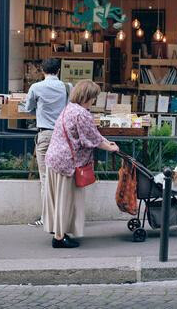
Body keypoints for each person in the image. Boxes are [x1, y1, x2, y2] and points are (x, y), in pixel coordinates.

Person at [42, 79, 119, 248]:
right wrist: (111, 148)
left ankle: (58, 231)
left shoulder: (69, 109)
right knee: (66, 200)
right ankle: (59, 238)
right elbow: (92, 138)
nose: (94, 101)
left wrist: (106, 141)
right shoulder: (82, 114)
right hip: (67, 163)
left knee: (57, 199)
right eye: (93, 97)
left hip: (55, 159)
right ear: (87, 97)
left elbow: (92, 134)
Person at [25, 57, 73, 226]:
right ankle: (63, 216)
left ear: (42, 71)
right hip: (63, 136)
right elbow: (70, 110)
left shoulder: (36, 87)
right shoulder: (68, 87)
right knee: (62, 176)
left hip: (45, 135)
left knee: (45, 177)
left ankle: (47, 218)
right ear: (59, 71)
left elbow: (27, 108)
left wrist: (40, 112)